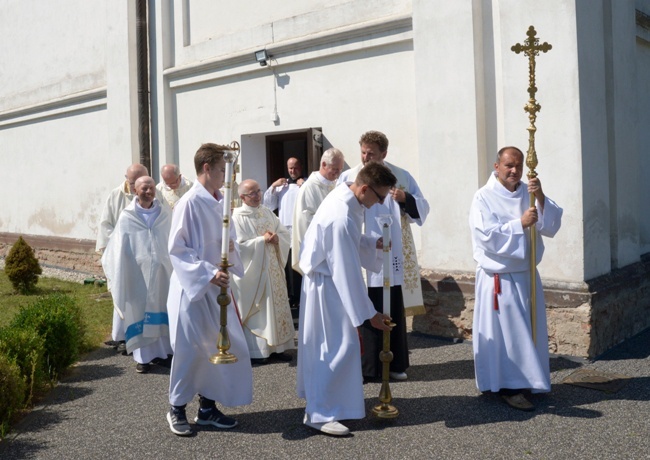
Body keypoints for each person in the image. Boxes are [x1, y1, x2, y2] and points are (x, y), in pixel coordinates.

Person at [297, 161, 395, 436]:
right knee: (332, 349)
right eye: (380, 197)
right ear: (364, 188)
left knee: (338, 347)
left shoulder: (347, 197)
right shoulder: (341, 214)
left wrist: (368, 243)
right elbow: (345, 269)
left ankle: (331, 405)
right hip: (328, 285)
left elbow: (346, 244)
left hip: (329, 281)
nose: (380, 203)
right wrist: (369, 314)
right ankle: (320, 413)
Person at [166, 143, 252, 436]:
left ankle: (207, 408)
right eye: (220, 170)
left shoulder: (219, 201)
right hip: (193, 290)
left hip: (217, 287)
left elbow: (227, 240)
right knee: (190, 350)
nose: (225, 177)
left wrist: (228, 261)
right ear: (206, 168)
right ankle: (176, 408)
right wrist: (208, 272)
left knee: (220, 347)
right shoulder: (189, 203)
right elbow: (177, 249)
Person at [469, 146, 562, 411]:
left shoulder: (528, 192)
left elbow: (551, 225)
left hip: (526, 274)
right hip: (500, 277)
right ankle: (509, 386)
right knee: (508, 335)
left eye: (519, 166)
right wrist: (519, 224)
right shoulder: (483, 197)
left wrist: (540, 196)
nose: (515, 171)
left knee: (527, 332)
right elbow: (484, 236)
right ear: (496, 166)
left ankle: (528, 379)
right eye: (509, 165)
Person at [338, 131, 429, 382]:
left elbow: (422, 209)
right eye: (363, 152)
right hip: (362, 250)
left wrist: (405, 199)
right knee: (364, 305)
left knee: (392, 306)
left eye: (372, 153)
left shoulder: (400, 176)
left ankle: (396, 362)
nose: (366, 157)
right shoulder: (350, 177)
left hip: (392, 252)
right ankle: (368, 367)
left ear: (384, 154)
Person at [101, 176, 173, 374]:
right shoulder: (127, 217)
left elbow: (172, 238)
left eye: (151, 188)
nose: (148, 191)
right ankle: (143, 358)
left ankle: (165, 353)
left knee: (162, 308)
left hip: (163, 273)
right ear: (135, 190)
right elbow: (117, 249)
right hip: (137, 274)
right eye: (144, 188)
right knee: (140, 312)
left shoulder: (164, 213)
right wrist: (122, 270)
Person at [232, 179, 295, 364]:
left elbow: (283, 233)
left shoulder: (267, 211)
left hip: (273, 268)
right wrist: (261, 241)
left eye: (258, 191)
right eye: (252, 193)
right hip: (255, 273)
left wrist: (277, 239)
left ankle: (278, 347)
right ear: (242, 197)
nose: (258, 195)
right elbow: (238, 247)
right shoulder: (238, 217)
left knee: (275, 306)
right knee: (260, 309)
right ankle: (258, 351)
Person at [96, 163, 149, 351]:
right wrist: (120, 243)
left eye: (140, 181)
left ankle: (145, 334)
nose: (136, 187)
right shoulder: (116, 195)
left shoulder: (151, 193)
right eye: (132, 181)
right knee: (123, 292)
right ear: (126, 178)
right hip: (123, 255)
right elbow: (106, 225)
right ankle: (121, 335)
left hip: (145, 255)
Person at [291, 148, 345, 275]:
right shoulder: (309, 188)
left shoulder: (336, 185)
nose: (338, 173)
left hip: (336, 250)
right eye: (335, 169)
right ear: (324, 165)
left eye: (340, 169)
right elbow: (305, 222)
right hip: (319, 256)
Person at [263, 157, 306, 310]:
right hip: (284, 230)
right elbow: (268, 204)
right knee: (285, 264)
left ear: (301, 167)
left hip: (300, 230)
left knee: (299, 263)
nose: (292, 171)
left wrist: (305, 185)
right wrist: (273, 186)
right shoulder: (282, 186)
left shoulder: (306, 184)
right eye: (290, 168)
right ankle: (289, 296)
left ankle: (302, 296)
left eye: (295, 168)